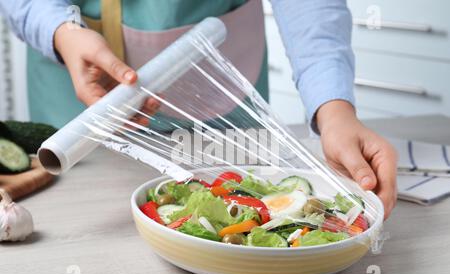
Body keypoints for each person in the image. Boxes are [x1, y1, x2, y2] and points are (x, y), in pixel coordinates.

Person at [0, 0, 397, 217]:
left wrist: (334, 109)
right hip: (74, 100)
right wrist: (60, 31)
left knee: (246, 212)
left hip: (224, 115)